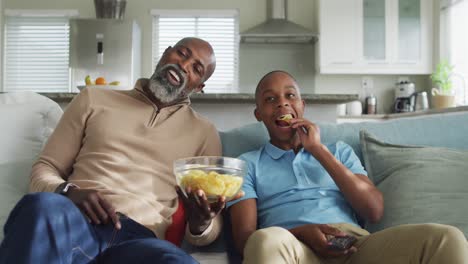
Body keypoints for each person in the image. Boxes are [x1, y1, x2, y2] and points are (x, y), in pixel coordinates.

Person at [0, 37, 228, 264]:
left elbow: (211, 225)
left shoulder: (204, 132)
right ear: (166, 52)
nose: (184, 66)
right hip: (77, 223)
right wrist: (68, 191)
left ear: (199, 86)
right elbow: (45, 168)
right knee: (41, 206)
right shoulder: (93, 98)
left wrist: (200, 223)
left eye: (196, 69)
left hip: (140, 240)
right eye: (182, 53)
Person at [227, 70, 468, 264]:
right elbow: (245, 240)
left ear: (302, 105)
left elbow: (373, 210)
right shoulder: (248, 164)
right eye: (270, 99)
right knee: (265, 241)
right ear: (259, 114)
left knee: (448, 238)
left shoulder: (338, 151)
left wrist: (319, 151)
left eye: (290, 96)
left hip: (353, 245)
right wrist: (301, 233)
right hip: (291, 247)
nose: (282, 104)